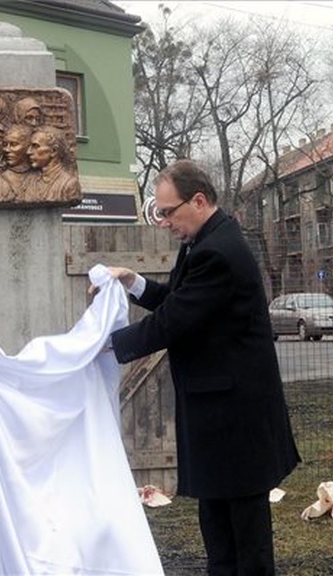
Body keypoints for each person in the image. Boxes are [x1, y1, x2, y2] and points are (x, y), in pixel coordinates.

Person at [94, 159, 300, 576]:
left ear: (199, 200)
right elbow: (178, 300)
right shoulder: (205, 243)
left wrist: (98, 347)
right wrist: (134, 282)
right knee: (220, 537)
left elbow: (173, 321)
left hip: (236, 422)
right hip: (221, 418)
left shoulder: (218, 252)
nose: (164, 222)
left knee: (247, 547)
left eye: (168, 212)